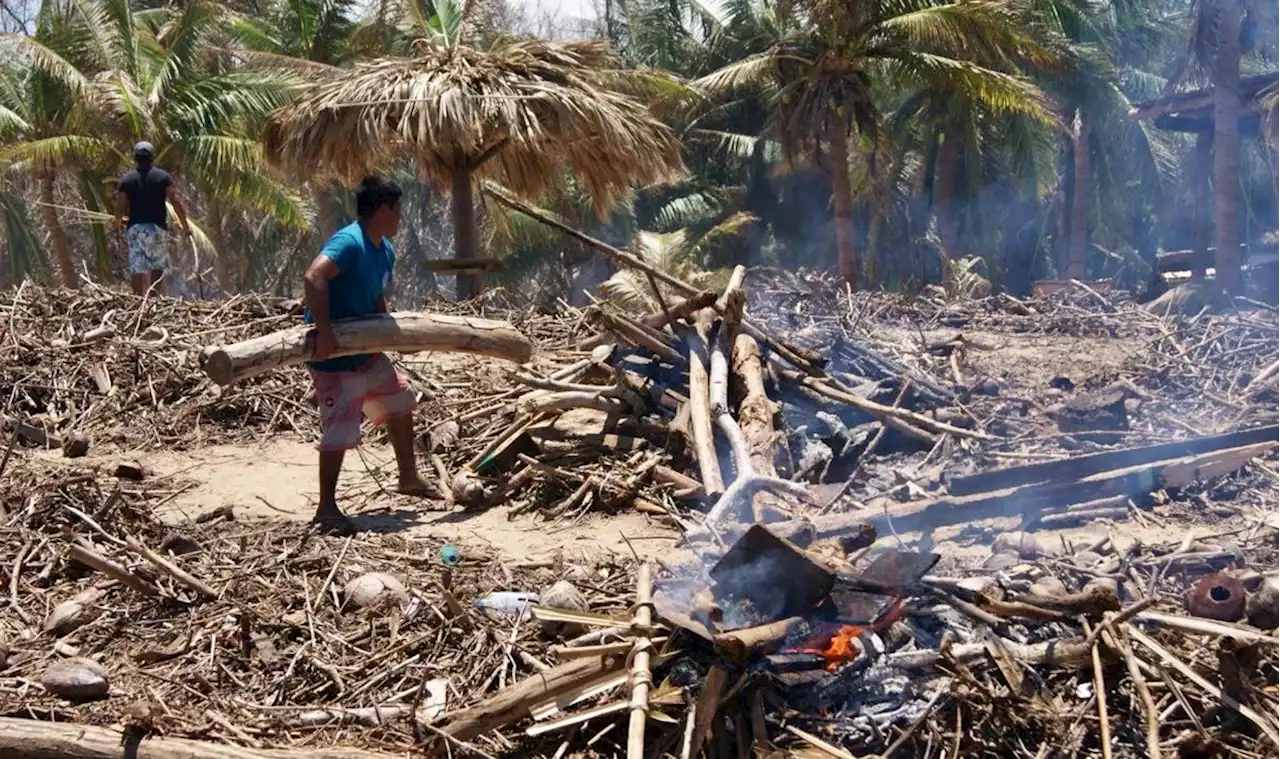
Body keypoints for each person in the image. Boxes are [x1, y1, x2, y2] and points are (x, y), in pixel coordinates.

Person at [303, 175, 429, 533]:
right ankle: (327, 509)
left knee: (401, 400)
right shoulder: (349, 242)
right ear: (383, 209)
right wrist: (325, 332)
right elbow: (314, 277)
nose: (401, 217)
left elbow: (376, 297)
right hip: (336, 357)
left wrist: (387, 332)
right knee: (340, 428)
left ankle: (409, 478)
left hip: (367, 353)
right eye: (397, 210)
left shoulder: (383, 249)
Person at [114, 141, 193, 296]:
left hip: (135, 228)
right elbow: (175, 201)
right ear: (152, 158)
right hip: (156, 228)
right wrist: (185, 226)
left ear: (135, 158)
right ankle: (153, 300)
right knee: (156, 266)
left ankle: (138, 300)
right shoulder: (163, 177)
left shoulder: (127, 180)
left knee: (137, 266)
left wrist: (117, 222)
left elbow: (121, 205)